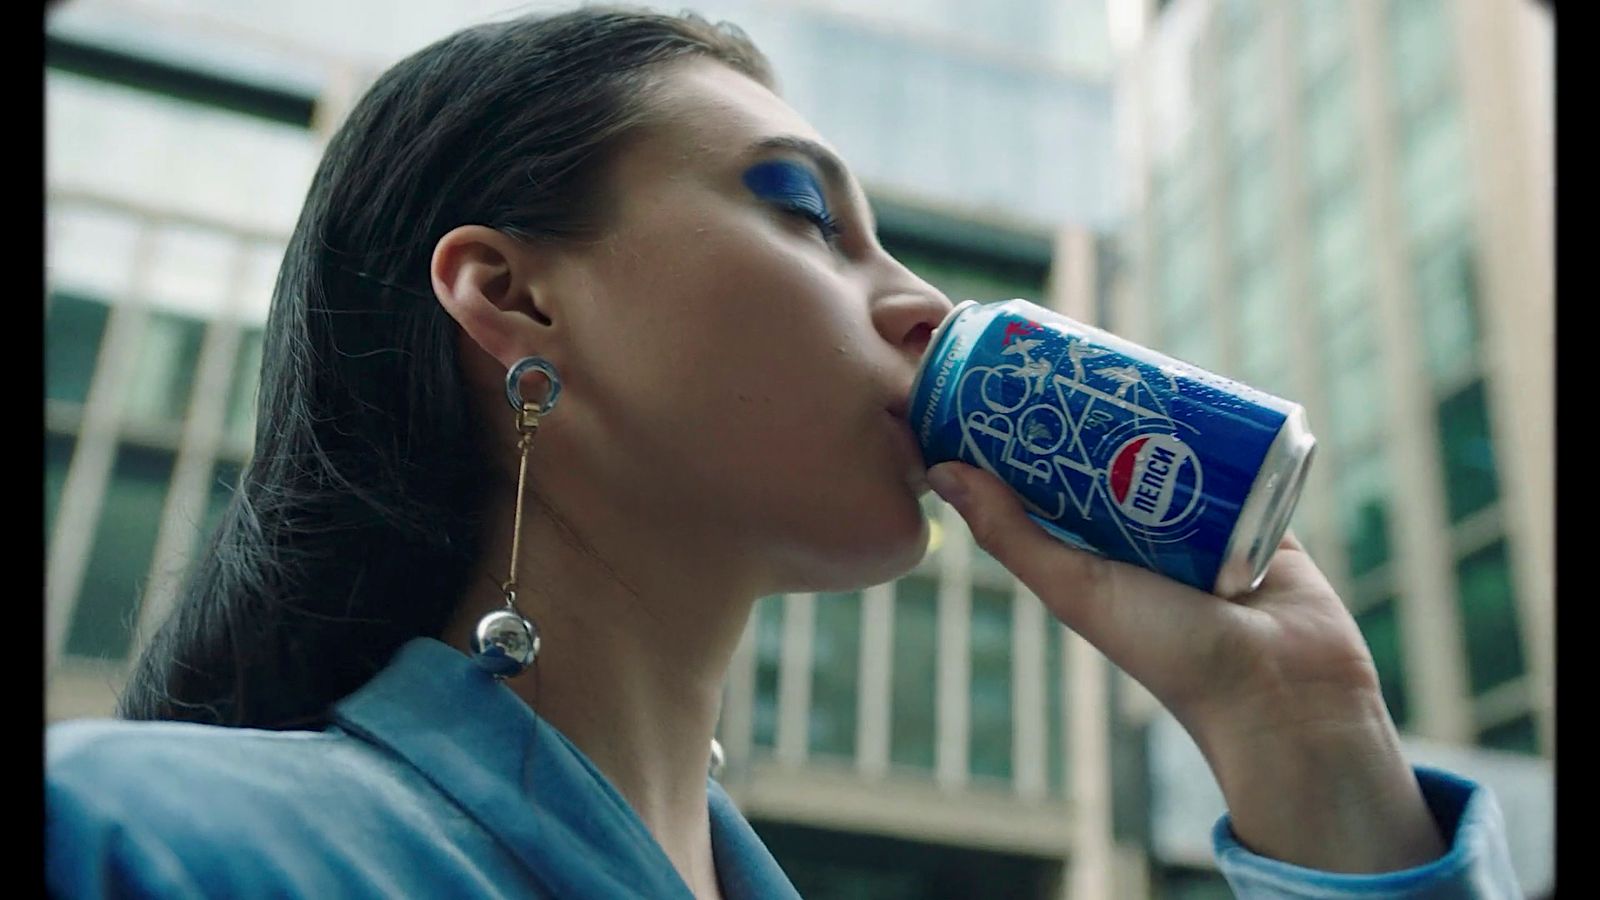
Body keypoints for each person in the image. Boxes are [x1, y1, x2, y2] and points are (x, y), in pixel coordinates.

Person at [45, 7, 1523, 898]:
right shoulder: (131, 841)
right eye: (804, 212)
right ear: (514, 297)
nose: (925, 306)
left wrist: (1307, 739)